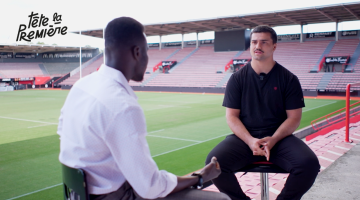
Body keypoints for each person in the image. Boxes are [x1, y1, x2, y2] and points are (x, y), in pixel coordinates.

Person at [57, 17, 230, 200]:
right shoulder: (122, 106)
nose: (148, 59)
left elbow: (63, 132)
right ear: (137, 52)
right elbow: (150, 188)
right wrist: (200, 176)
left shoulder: (81, 85)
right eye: (147, 52)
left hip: (77, 194)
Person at [205, 26, 320, 200]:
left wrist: (273, 139)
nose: (258, 45)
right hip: (245, 138)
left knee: (309, 164)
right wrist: (250, 140)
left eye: (264, 42)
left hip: (280, 138)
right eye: (254, 42)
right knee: (213, 165)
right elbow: (232, 116)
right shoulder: (237, 79)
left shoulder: (288, 78)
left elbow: (294, 118)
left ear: (274, 46)